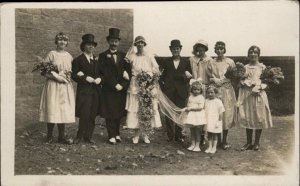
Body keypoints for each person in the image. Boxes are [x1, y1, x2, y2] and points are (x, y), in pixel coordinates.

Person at [39, 32, 75, 144]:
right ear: (56, 41)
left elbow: (70, 72)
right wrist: (55, 78)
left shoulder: (69, 56)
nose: (62, 42)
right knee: (52, 107)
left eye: (64, 40)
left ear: (67, 42)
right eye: (60, 40)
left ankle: (61, 136)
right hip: (53, 85)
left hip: (64, 86)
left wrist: (66, 77)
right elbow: (43, 71)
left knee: (62, 109)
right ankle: (49, 136)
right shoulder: (52, 54)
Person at [125, 36, 162, 144]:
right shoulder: (132, 57)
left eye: (142, 43)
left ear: (144, 44)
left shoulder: (149, 56)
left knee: (146, 108)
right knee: (136, 108)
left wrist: (148, 77)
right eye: (138, 43)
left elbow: (156, 70)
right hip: (135, 86)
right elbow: (127, 69)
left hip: (147, 85)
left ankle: (145, 134)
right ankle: (136, 135)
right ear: (135, 45)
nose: (140, 44)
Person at [99, 28, 131, 145]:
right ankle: (111, 135)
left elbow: (129, 73)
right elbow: (104, 73)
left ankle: (117, 133)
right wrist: (114, 84)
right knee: (110, 113)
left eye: (116, 41)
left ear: (118, 42)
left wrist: (123, 86)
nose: (113, 43)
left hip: (120, 90)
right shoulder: (103, 56)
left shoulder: (124, 56)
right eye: (112, 41)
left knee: (118, 112)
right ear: (108, 41)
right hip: (109, 89)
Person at [238, 46, 272, 151]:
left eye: (255, 52)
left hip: (258, 94)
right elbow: (240, 80)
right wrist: (245, 83)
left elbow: (267, 81)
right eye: (251, 52)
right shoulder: (244, 67)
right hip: (247, 94)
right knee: (248, 117)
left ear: (258, 55)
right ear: (248, 55)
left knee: (258, 117)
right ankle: (248, 142)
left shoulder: (263, 67)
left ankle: (256, 143)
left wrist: (260, 86)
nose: (253, 54)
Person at [160, 39, 193, 143]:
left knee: (180, 113)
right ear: (170, 49)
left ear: (180, 49)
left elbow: (190, 76)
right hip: (169, 92)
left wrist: (184, 77)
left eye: (177, 48)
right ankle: (170, 136)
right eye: (173, 49)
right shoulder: (166, 62)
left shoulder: (186, 62)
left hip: (181, 92)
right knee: (168, 114)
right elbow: (161, 76)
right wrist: (164, 87)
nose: (175, 50)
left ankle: (179, 136)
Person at [72, 34, 102, 144]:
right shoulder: (78, 60)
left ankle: (88, 136)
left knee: (92, 114)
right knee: (84, 114)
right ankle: (79, 136)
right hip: (84, 91)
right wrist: (85, 78)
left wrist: (100, 79)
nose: (90, 47)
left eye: (92, 45)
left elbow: (102, 74)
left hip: (96, 91)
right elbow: (74, 75)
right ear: (83, 46)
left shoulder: (96, 60)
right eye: (88, 45)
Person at [208, 41, 237, 150]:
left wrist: (224, 80)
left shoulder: (230, 62)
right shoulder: (211, 62)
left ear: (224, 50)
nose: (219, 51)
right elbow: (210, 75)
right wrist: (215, 80)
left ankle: (224, 141)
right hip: (216, 90)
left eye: (221, 48)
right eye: (217, 49)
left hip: (226, 90)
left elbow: (233, 76)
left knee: (226, 115)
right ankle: (217, 140)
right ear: (215, 50)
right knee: (216, 114)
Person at [189, 40, 212, 146]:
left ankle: (203, 137)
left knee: (203, 112)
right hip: (194, 88)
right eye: (198, 50)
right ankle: (194, 138)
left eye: (202, 49)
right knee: (194, 113)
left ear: (205, 50)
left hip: (204, 88)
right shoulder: (192, 60)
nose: (200, 52)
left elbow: (211, 74)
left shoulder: (209, 60)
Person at [183, 80, 206, 152]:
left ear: (201, 90)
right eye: (195, 89)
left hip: (198, 115)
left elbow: (200, 107)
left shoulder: (201, 97)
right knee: (192, 130)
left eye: (198, 90)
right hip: (191, 115)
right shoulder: (190, 96)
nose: (196, 91)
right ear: (192, 90)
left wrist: (191, 108)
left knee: (197, 131)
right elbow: (188, 104)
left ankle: (197, 145)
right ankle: (192, 144)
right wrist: (187, 108)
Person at [205, 86, 225, 154]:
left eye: (212, 92)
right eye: (208, 93)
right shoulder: (206, 101)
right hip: (208, 120)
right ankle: (210, 146)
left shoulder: (218, 101)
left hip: (215, 120)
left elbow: (221, 112)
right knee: (209, 133)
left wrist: (219, 121)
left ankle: (214, 147)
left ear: (215, 93)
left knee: (215, 134)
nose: (210, 94)